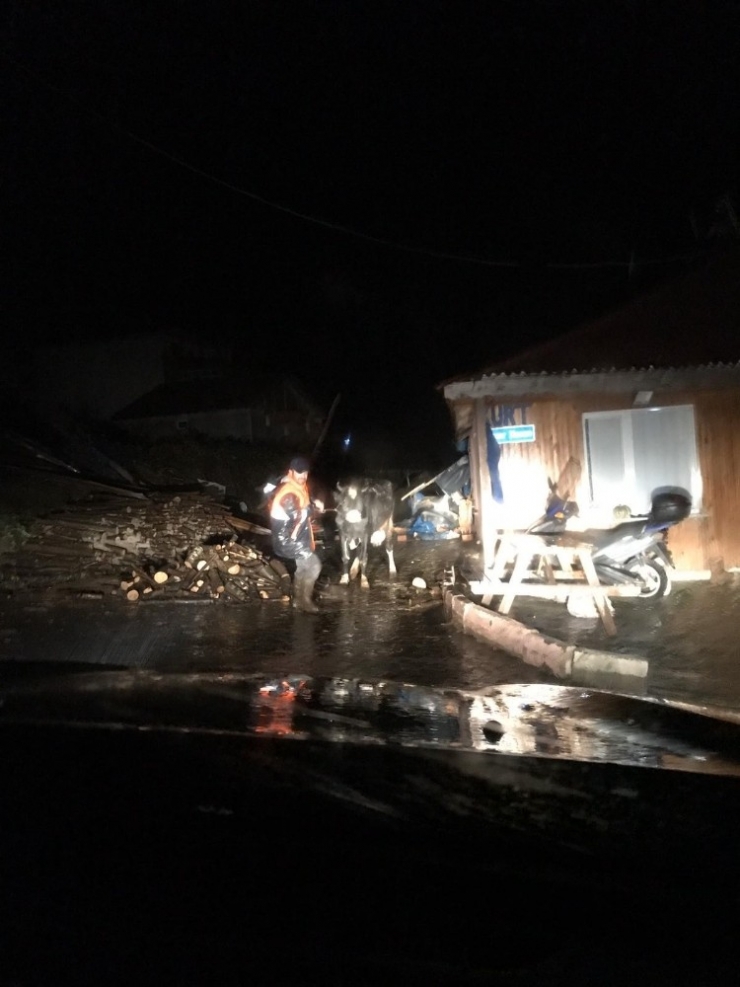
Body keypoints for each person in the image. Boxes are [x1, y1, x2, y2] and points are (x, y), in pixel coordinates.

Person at [269, 456, 325, 613]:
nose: (303, 476)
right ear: (291, 472)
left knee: (302, 567)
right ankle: (305, 601)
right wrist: (313, 509)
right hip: (288, 538)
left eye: (305, 473)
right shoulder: (288, 493)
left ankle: (297, 600)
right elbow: (298, 515)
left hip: (298, 534)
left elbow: (304, 502)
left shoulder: (298, 485)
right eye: (299, 473)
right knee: (314, 566)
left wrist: (313, 503)